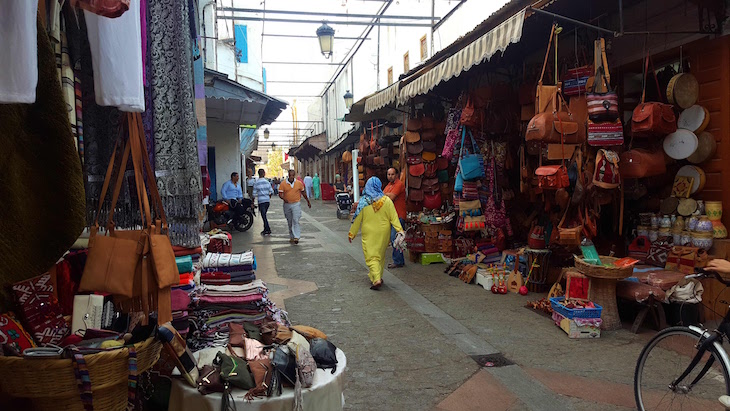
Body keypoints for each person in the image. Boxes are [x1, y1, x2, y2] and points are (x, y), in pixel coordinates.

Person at [348, 177, 404, 290]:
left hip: (369, 232)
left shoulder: (364, 202)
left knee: (371, 257)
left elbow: (358, 219)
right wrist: (399, 230)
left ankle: (377, 278)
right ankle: (376, 277)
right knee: (380, 255)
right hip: (384, 232)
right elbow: (394, 217)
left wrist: (352, 233)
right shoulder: (387, 201)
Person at [279, 169, 311, 244]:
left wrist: (308, 201)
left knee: (295, 220)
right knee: (289, 221)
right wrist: (284, 198)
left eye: (293, 175)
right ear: (288, 175)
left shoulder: (299, 183)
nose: (291, 177)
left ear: (294, 175)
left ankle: (297, 236)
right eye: (290, 175)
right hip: (287, 204)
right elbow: (280, 194)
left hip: (296, 203)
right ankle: (291, 236)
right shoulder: (283, 184)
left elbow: (303, 193)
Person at [383, 168, 406, 269]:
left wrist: (386, 195)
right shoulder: (388, 186)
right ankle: (399, 260)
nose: (390, 176)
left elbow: (390, 197)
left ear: (396, 175)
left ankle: (398, 261)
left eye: (392, 174)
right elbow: (383, 197)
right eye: (389, 174)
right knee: (395, 239)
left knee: (395, 238)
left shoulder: (399, 184)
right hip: (392, 217)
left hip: (399, 215)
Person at [253, 169, 274, 236]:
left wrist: (253, 200)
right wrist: (268, 196)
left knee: (263, 215)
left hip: (261, 201)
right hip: (267, 201)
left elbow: (253, 194)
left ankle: (267, 229)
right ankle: (266, 229)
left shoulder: (256, 183)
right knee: (264, 215)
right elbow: (272, 191)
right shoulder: (267, 182)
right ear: (264, 174)